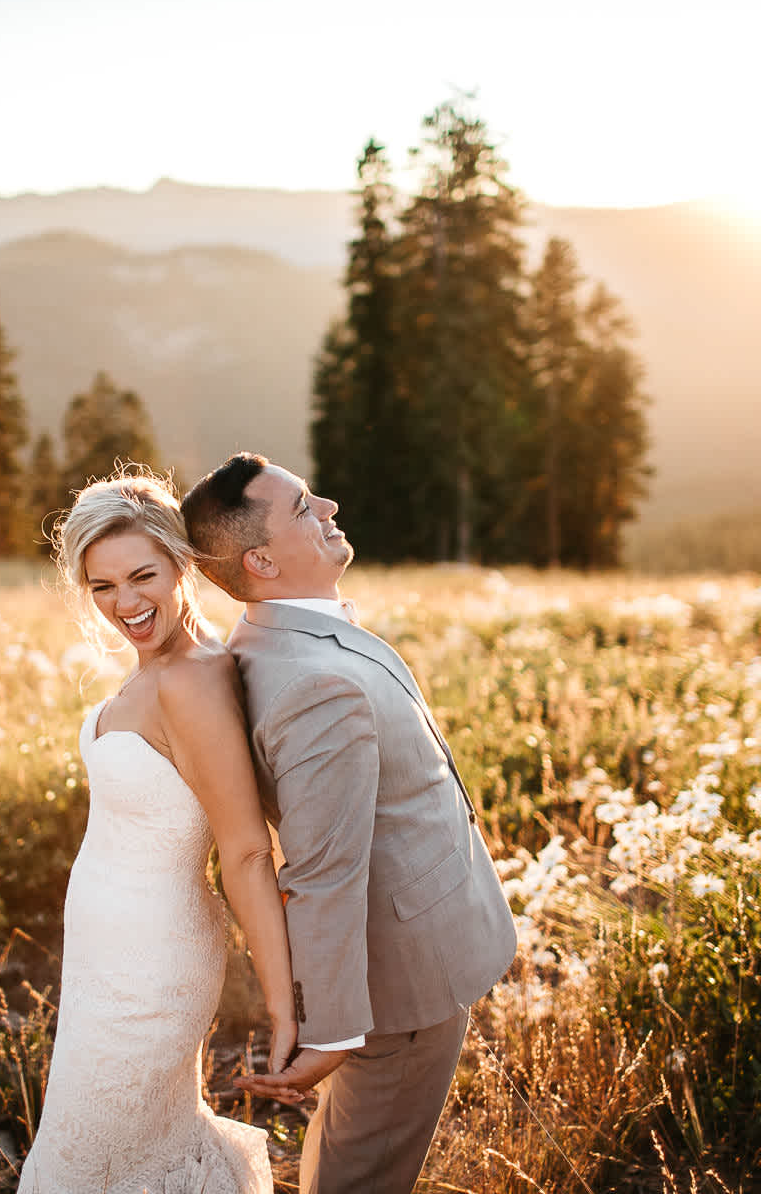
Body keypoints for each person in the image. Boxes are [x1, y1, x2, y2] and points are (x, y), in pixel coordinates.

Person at [180, 453, 519, 1194]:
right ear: (260, 560)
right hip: (402, 987)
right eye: (303, 506)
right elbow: (323, 868)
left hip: (410, 952)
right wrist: (330, 1029)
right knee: (362, 1176)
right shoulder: (312, 683)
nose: (329, 506)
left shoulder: (284, 638)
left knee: (347, 1156)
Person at [17, 470, 295, 1193]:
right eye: (101, 586)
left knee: (97, 1161)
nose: (125, 603)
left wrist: (284, 1006)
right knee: (105, 1149)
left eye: (142, 576)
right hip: (102, 966)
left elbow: (243, 849)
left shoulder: (193, 679)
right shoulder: (160, 667)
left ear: (181, 563)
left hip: (153, 969)